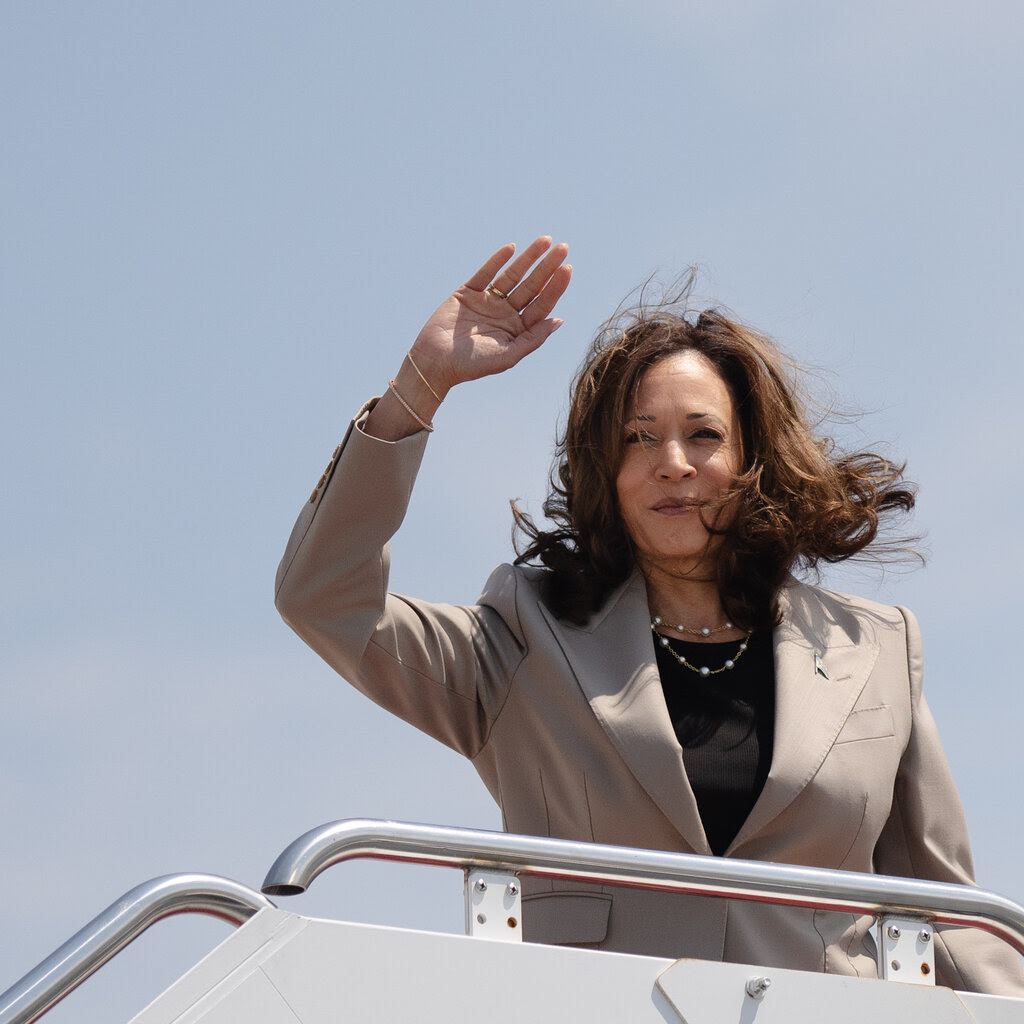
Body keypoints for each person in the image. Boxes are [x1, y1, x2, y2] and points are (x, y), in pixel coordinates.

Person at [275, 237, 1024, 994]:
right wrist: (420, 387)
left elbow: (951, 918)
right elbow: (324, 598)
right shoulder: (523, 635)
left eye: (704, 435)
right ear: (607, 470)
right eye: (639, 438)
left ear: (752, 459)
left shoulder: (878, 648)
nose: (673, 462)